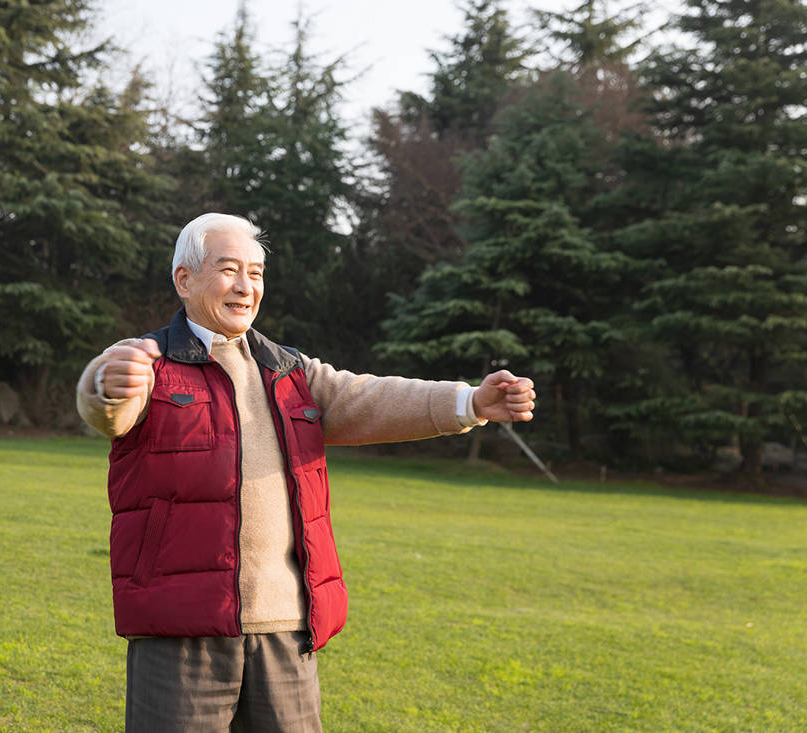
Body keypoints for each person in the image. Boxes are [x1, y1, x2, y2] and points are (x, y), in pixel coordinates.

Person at [76, 213, 536, 732]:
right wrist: (109, 384)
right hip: (182, 632)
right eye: (229, 270)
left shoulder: (288, 371)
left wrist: (470, 401)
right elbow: (106, 406)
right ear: (184, 279)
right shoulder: (146, 361)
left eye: (256, 272)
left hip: (287, 629)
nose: (246, 286)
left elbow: (371, 397)